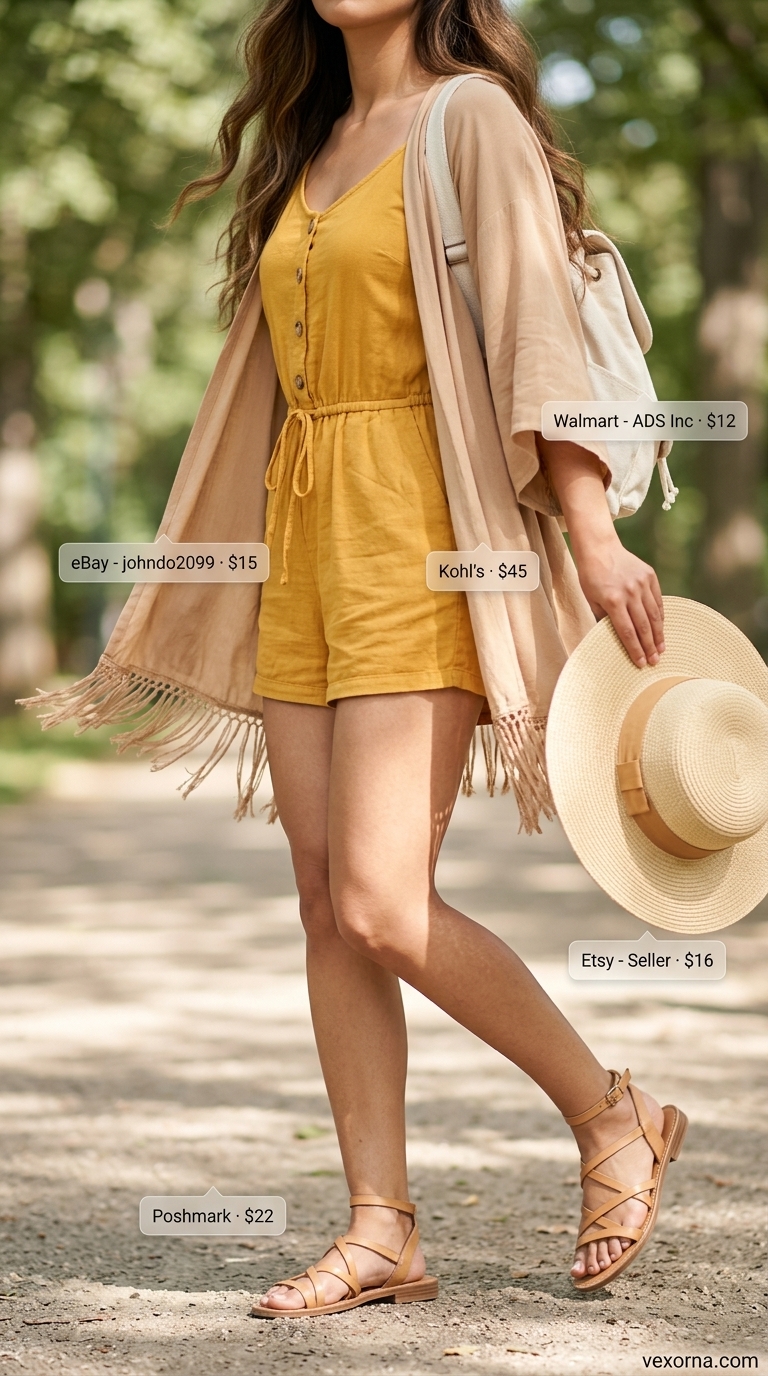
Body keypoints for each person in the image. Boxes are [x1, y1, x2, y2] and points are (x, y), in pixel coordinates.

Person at [49, 0, 684, 1313]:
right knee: (324, 893)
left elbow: (535, 335)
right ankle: (381, 1228)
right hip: (305, 537)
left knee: (384, 899)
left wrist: (592, 533)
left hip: (424, 536)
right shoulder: (316, 138)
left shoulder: (473, 118)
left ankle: (610, 1111)